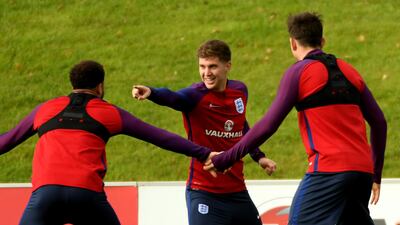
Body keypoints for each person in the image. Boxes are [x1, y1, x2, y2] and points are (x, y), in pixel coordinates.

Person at [204, 12, 387, 225]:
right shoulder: (349, 70)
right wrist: (376, 174)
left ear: (292, 43)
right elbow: (379, 123)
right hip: (362, 173)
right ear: (322, 41)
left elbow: (268, 125)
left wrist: (226, 158)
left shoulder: (299, 72)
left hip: (328, 171)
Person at [0, 60, 216, 225]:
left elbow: (7, 140)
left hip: (45, 196)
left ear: (72, 84)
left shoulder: (45, 109)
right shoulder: (110, 113)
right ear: (100, 86)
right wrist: (203, 153)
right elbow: (160, 136)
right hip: (87, 196)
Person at [132, 39, 277, 225]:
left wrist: (259, 156)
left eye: (212, 66)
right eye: (202, 66)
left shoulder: (240, 91)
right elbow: (174, 98)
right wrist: (152, 92)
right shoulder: (194, 95)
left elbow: (241, 125)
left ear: (228, 66)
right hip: (204, 193)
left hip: (238, 192)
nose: (206, 73)